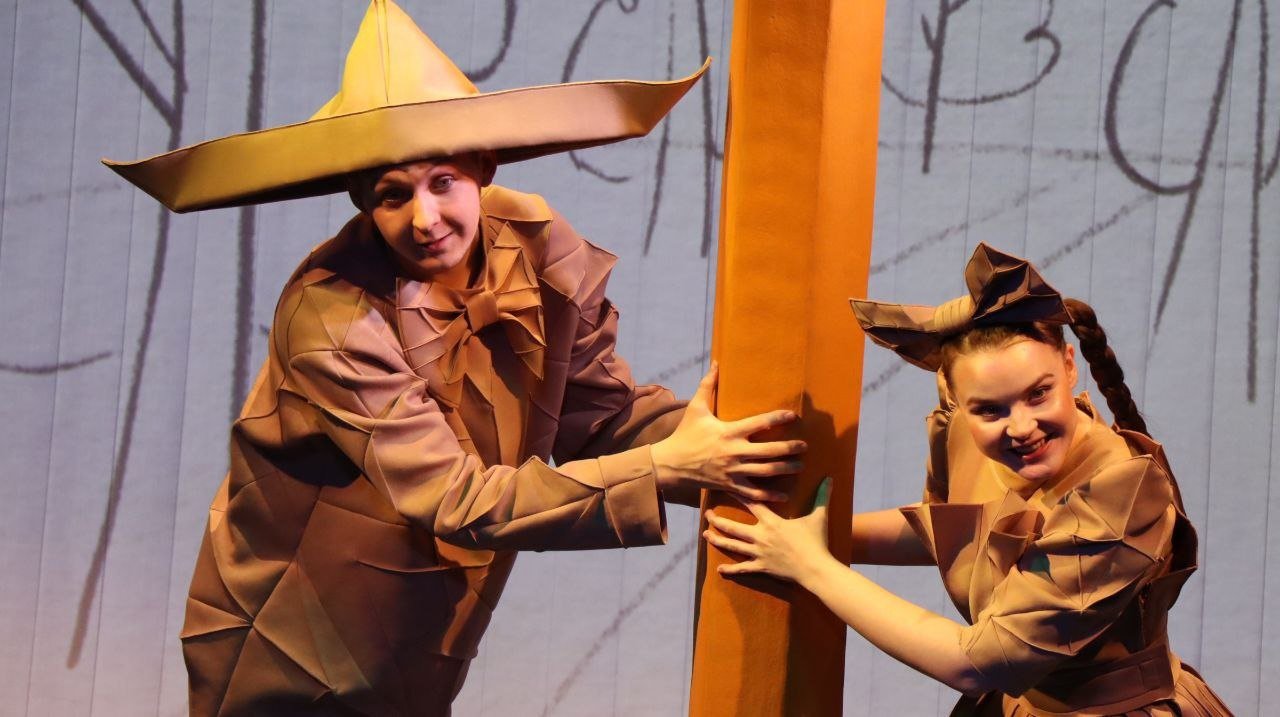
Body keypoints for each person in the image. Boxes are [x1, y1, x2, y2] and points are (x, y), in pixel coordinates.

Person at [105, 2, 804, 714]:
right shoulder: (330, 315)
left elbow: (600, 418)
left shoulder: (535, 244)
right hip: (290, 646)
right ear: (361, 201)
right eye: (393, 195)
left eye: (442, 181)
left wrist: (734, 448)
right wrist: (666, 468)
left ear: (482, 166)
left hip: (423, 636)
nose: (425, 218)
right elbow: (455, 498)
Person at [704, 243, 1231, 715]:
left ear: (1070, 367)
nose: (1021, 427)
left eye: (1039, 394)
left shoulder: (1121, 495)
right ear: (955, 399)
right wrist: (818, 534)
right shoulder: (963, 435)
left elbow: (977, 664)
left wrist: (813, 566)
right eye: (989, 410)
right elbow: (949, 532)